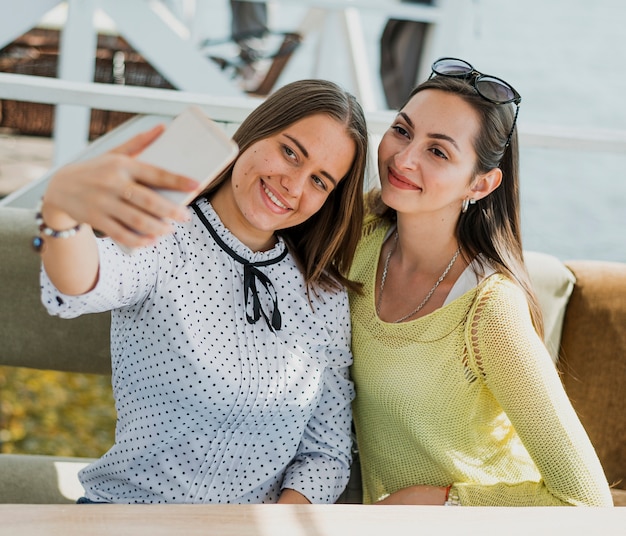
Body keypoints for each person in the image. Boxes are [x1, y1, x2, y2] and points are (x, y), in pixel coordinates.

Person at [37, 79, 368, 504]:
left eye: (321, 181)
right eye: (290, 152)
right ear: (255, 132)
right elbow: (83, 280)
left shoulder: (322, 295)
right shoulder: (164, 236)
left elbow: (326, 454)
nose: (294, 185)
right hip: (127, 520)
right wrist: (61, 212)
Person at [348, 57, 613, 506]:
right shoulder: (360, 234)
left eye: (438, 151)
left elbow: (586, 500)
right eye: (402, 130)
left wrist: (440, 501)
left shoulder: (488, 310)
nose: (404, 158)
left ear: (481, 184)